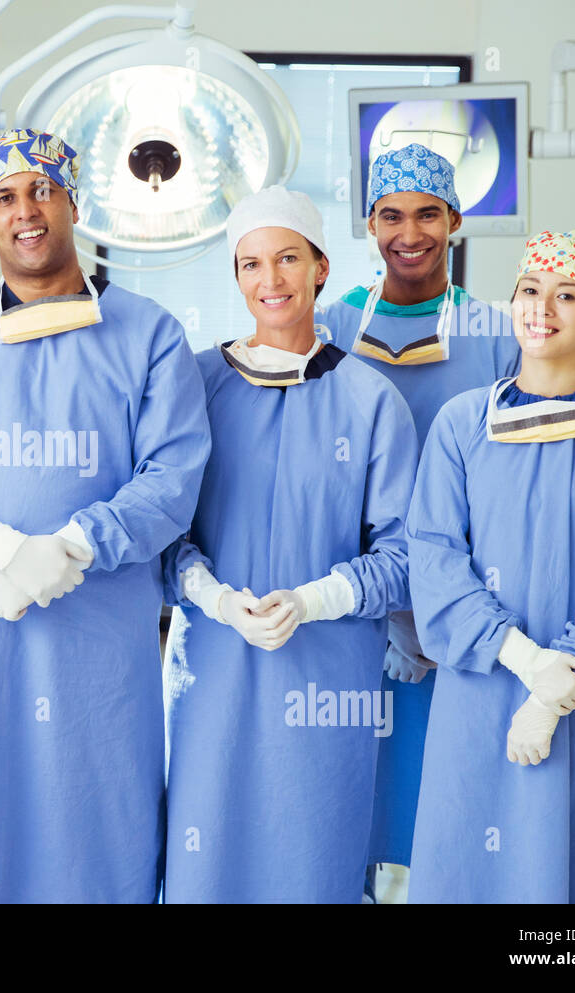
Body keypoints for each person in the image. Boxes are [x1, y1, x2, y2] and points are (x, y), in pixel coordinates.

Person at [0, 128, 210, 903]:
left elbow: (172, 477)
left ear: (74, 205)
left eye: (42, 190)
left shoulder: (149, 334)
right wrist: (0, 546)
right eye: (4, 197)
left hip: (93, 638)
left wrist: (73, 545)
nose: (25, 210)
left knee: (88, 822)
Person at [160, 187, 417, 903]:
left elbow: (404, 556)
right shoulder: (193, 386)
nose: (270, 279)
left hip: (328, 678)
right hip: (212, 671)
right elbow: (160, 529)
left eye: (287, 259)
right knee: (207, 856)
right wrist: (214, 596)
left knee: (313, 854)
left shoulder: (371, 401)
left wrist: (313, 600)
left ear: (321, 268)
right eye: (251, 264)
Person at [407, 230, 575, 903]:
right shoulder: (462, 423)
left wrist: (554, 693)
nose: (541, 308)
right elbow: (435, 558)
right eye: (529, 290)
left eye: (567, 295)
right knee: (467, 863)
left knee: (574, 879)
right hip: (479, 690)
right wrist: (527, 662)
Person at [320, 144, 522, 891]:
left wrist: (441, 614)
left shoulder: (498, 334)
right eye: (392, 215)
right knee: (346, 809)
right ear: (370, 224)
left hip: (458, 615)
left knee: (448, 812)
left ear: (455, 220)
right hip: (348, 610)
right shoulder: (330, 326)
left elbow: (511, 487)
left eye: (428, 214)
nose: (410, 234)